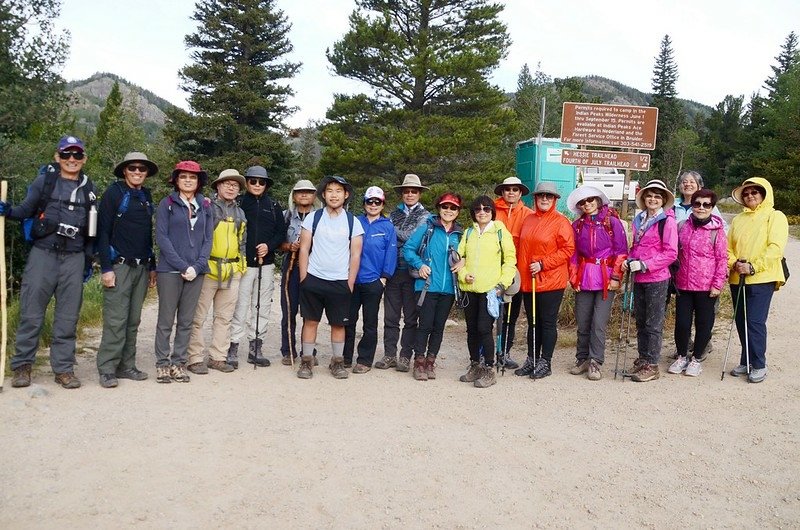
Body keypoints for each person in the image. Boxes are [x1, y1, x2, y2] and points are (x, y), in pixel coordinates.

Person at [3, 135, 98, 389]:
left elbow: (92, 230)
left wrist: (88, 262)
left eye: (77, 155)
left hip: (74, 257)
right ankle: (22, 366)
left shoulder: (90, 189)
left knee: (68, 317)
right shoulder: (44, 181)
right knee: (31, 312)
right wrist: (8, 210)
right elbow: (25, 210)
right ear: (57, 157)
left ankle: (64, 369)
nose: (72, 159)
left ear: (84, 159)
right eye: (66, 154)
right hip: (43, 253)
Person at [95, 152, 158, 388]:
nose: (138, 172)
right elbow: (102, 232)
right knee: (115, 319)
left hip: (141, 266)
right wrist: (106, 268)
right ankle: (107, 368)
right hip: (119, 265)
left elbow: (145, 234)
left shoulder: (146, 195)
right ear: (124, 171)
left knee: (133, 320)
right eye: (133, 168)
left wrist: (152, 265)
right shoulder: (114, 193)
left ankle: (126, 365)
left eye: (142, 169)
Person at [296, 175, 364, 379]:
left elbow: (355, 254)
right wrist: (303, 278)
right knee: (310, 321)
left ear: (346, 195)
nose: (334, 195)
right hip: (314, 278)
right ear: (323, 195)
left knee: (338, 323)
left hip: (340, 281)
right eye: (330, 191)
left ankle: (337, 362)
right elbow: (304, 248)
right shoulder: (313, 218)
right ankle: (307, 361)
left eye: (338, 191)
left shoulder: (353, 222)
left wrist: (350, 282)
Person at [153, 161, 213, 384]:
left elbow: (208, 239)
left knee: (186, 320)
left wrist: (197, 267)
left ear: (198, 182)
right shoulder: (166, 203)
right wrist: (182, 266)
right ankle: (162, 364)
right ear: (176, 180)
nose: (188, 180)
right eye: (184, 176)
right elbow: (162, 238)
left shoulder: (205, 206)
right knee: (166, 320)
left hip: (196, 271)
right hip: (170, 270)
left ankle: (179, 363)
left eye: (193, 177)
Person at [726, 177, 788, 383]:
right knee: (741, 321)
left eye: (755, 192)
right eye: (746, 193)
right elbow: (728, 248)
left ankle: (759, 363)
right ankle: (747, 360)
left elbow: (775, 248)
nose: (750, 195)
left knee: (754, 321)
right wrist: (735, 263)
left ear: (764, 194)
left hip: (762, 277)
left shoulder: (775, 216)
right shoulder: (738, 219)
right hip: (738, 277)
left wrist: (753, 266)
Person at [187, 169, 248, 375]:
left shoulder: (240, 213)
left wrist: (241, 265)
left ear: (239, 190)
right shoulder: (206, 207)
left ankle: (218, 357)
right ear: (217, 187)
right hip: (207, 269)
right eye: (227, 183)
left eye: (235, 185)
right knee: (198, 316)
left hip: (231, 270)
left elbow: (242, 241)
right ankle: (195, 358)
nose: (231, 187)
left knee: (224, 317)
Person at [514, 182, 575, 380]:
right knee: (533, 322)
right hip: (528, 281)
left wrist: (543, 264)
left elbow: (567, 249)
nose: (545, 199)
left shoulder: (560, 221)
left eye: (549, 196)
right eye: (541, 196)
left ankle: (545, 362)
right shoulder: (529, 219)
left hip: (550, 281)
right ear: (535, 198)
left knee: (547, 323)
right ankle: (531, 358)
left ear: (555, 199)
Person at [566, 186, 627, 381]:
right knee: (583, 321)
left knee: (598, 323)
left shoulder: (612, 223)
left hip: (605, 277)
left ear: (598, 200)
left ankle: (595, 361)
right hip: (584, 277)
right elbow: (573, 255)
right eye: (582, 202)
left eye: (590, 200)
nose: (587, 204)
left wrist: (616, 277)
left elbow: (621, 251)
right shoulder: (577, 226)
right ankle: (582, 358)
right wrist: (573, 277)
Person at [457, 196, 517, 388]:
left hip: (491, 290)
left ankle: (489, 369)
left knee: (484, 328)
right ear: (473, 213)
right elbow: (460, 259)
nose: (482, 212)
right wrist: (463, 275)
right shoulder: (468, 233)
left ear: (492, 211)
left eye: (486, 209)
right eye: (477, 209)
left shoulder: (500, 232)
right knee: (472, 330)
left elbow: (510, 260)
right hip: (469, 289)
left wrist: (502, 284)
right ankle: (475, 365)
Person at [622, 179, 678, 383]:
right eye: (649, 195)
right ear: (644, 198)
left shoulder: (667, 222)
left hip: (657, 278)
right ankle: (643, 358)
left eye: (657, 196)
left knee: (653, 323)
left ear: (663, 200)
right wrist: (630, 260)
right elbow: (635, 246)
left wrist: (645, 264)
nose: (652, 199)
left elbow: (671, 253)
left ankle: (652, 364)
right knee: (640, 320)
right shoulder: (640, 219)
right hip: (638, 277)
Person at [230, 165, 286, 367]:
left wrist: (269, 246)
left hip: (266, 264)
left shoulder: (273, 206)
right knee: (240, 306)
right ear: (246, 183)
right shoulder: (238, 204)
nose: (257, 184)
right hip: (243, 264)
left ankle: (256, 347)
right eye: (252, 181)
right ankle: (233, 346)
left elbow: (281, 232)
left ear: (266, 185)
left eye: (261, 182)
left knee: (262, 306)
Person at [404, 192, 464, 381]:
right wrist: (419, 264)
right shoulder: (428, 228)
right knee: (425, 326)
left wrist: (464, 262)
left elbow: (466, 256)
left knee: (438, 327)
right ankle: (419, 362)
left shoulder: (460, 234)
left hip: (448, 289)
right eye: (445, 207)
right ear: (439, 208)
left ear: (458, 211)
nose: (448, 210)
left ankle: (431, 362)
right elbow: (408, 249)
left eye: (453, 208)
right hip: (427, 287)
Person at [668, 189, 727, 377]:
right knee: (682, 324)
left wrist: (717, 285)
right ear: (692, 205)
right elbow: (674, 252)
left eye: (706, 204)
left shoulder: (717, 231)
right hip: (683, 284)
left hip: (706, 286)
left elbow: (722, 259)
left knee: (704, 323)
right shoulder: (681, 226)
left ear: (712, 207)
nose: (701, 208)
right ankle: (682, 355)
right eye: (697, 204)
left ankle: (697, 358)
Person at [376, 174, 429, 372]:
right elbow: (401, 237)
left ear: (419, 193)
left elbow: (413, 236)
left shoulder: (426, 216)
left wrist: (391, 230)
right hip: (393, 269)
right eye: (406, 191)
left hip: (413, 271)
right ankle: (390, 354)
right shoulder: (393, 214)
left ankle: (406, 355)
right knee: (390, 316)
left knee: (410, 317)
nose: (409, 194)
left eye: (413, 191)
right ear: (401, 193)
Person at [343, 186, 397, 373]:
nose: (373, 205)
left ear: (382, 204)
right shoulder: (355, 222)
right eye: (369, 201)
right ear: (364, 203)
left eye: (377, 202)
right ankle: (345, 357)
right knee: (347, 320)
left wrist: (384, 278)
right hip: (351, 279)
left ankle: (364, 360)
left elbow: (391, 253)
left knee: (370, 323)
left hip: (373, 281)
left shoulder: (387, 226)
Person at [278, 179, 321, 365]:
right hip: (291, 267)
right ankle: (288, 351)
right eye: (300, 192)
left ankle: (308, 351)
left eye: (308, 192)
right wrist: (290, 246)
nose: (304, 195)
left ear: (314, 196)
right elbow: (277, 243)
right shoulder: (285, 216)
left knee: (310, 312)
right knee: (289, 310)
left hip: (315, 269)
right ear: (294, 196)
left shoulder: (321, 217)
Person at [493, 176, 533, 369]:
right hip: (491, 268)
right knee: (489, 313)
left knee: (511, 314)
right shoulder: (490, 210)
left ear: (520, 193)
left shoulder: (528, 214)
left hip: (517, 271)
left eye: (515, 189)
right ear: (502, 192)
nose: (511, 192)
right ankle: (486, 353)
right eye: (507, 189)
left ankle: (504, 352)